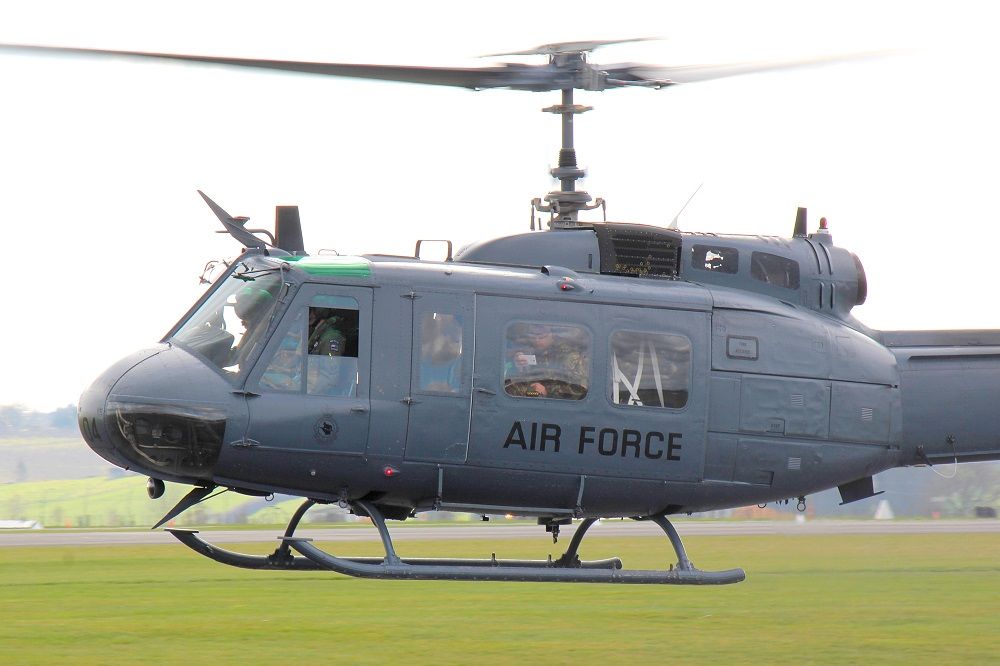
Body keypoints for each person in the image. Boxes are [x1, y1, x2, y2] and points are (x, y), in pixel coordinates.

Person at [504, 323, 588, 399]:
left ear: (552, 335)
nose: (537, 341)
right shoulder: (528, 350)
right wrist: (519, 367)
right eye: (533, 336)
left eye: (542, 337)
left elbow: (580, 390)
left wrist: (547, 391)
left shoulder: (570, 357)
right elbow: (512, 381)